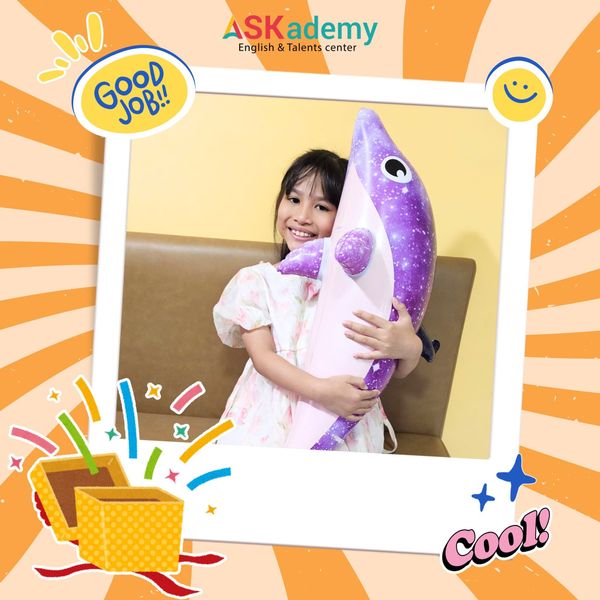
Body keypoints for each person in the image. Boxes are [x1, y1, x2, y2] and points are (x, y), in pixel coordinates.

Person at [213, 149, 434, 452]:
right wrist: (322, 392)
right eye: (294, 199)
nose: (302, 216)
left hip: (345, 416)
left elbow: (396, 368)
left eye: (321, 207)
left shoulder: (364, 290)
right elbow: (262, 358)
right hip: (271, 414)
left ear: (346, 216)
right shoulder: (257, 281)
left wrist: (409, 347)